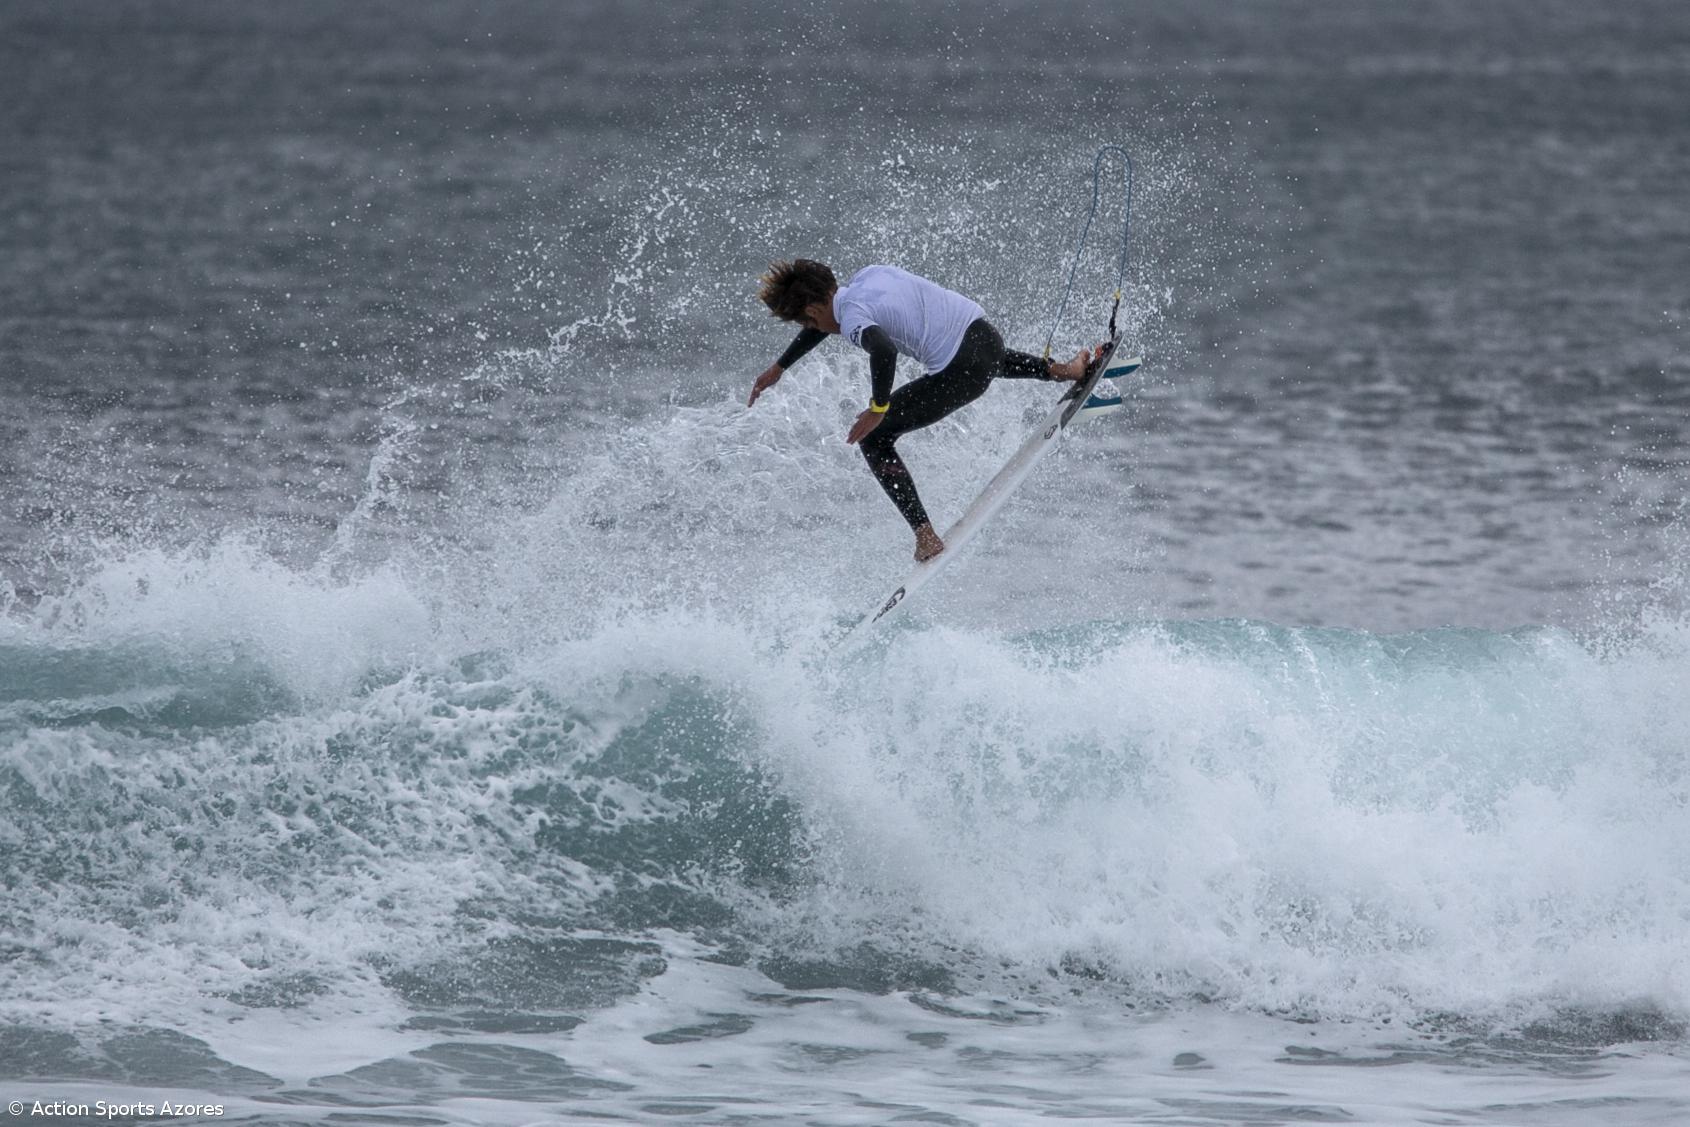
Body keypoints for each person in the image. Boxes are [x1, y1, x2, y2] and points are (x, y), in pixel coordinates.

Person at [747, 259, 1096, 561]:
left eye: (807, 324)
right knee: (975, 356)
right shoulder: (867, 278)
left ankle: (925, 536)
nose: (813, 330)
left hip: (964, 373)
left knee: (875, 438)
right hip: (987, 339)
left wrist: (878, 407)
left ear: (810, 312)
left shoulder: (853, 318)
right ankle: (1063, 370)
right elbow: (836, 318)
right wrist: (781, 366)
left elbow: (882, 349)